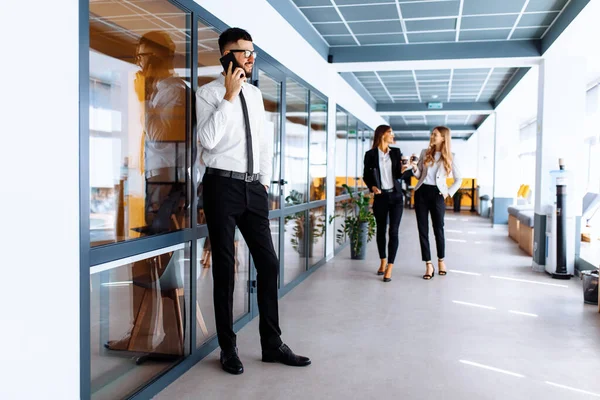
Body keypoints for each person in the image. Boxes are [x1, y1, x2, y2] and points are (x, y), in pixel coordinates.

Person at [196, 27, 310, 375]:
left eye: (252, 52)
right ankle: (227, 349)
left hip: (252, 189)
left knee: (269, 264)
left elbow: (261, 143)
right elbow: (207, 142)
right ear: (225, 56)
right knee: (226, 270)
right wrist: (229, 97)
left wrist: (262, 183)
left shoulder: (257, 95)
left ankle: (272, 345)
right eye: (242, 51)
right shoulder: (208, 94)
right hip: (220, 186)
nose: (249, 57)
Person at [105, 31, 188, 356]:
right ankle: (141, 335)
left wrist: (140, 97)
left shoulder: (174, 92)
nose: (140, 64)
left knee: (160, 269)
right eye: (138, 57)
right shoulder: (158, 92)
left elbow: (162, 135)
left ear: (163, 58)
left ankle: (169, 339)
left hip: (166, 187)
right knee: (141, 266)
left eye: (144, 57)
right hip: (152, 185)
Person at [411, 126, 463, 280]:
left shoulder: (451, 156)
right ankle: (428, 264)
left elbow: (459, 179)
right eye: (432, 134)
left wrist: (448, 192)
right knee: (422, 230)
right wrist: (414, 168)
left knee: (438, 228)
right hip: (421, 192)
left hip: (438, 194)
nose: (432, 136)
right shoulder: (424, 153)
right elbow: (420, 175)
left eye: (435, 135)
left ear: (443, 138)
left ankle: (441, 260)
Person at [363, 125, 406, 283]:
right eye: (390, 133)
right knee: (381, 230)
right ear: (382, 135)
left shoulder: (395, 152)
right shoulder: (370, 155)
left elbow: (398, 175)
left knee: (393, 231)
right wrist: (372, 187)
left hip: (396, 197)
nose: (393, 135)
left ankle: (390, 266)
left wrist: (404, 168)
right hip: (380, 198)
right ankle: (382, 260)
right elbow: (366, 175)